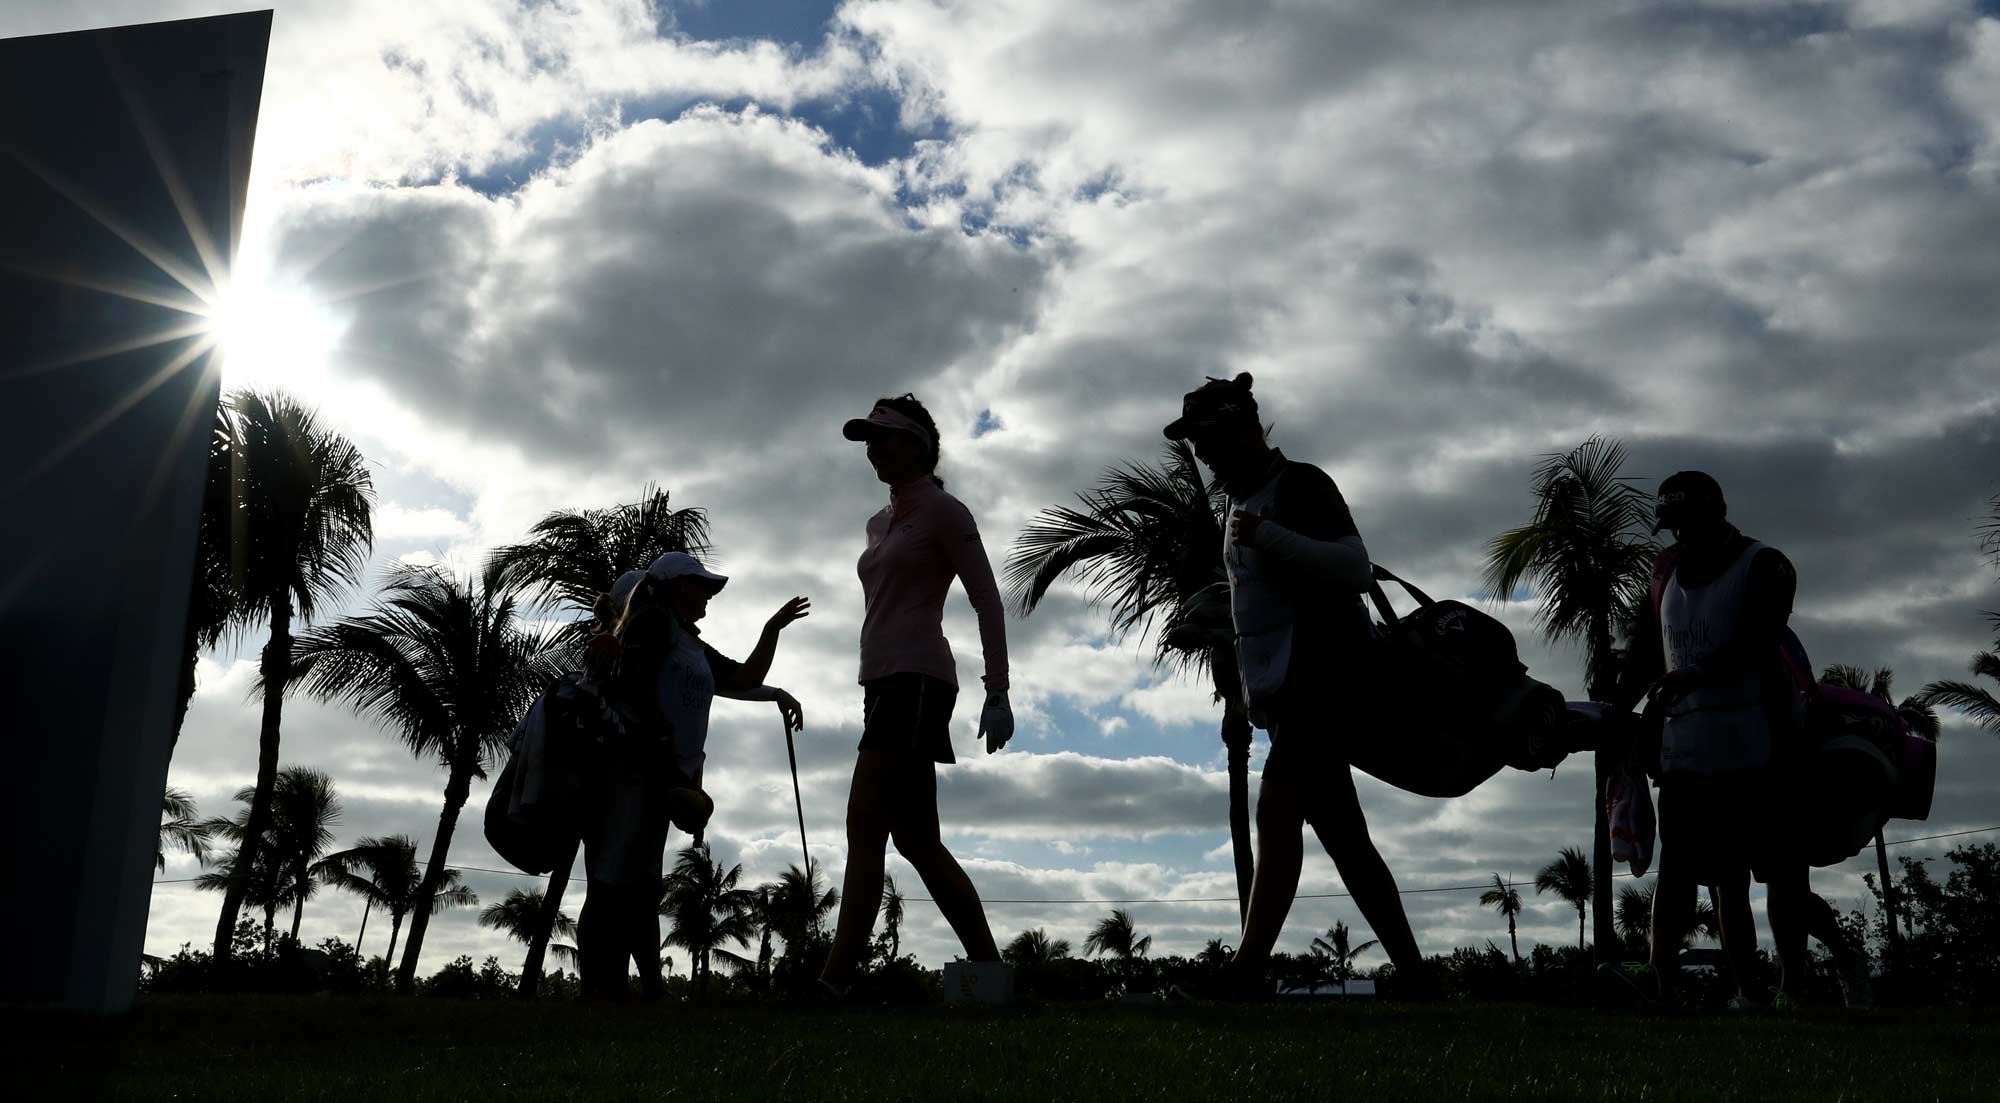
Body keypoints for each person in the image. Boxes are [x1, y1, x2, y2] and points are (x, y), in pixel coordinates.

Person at [1162, 372, 1427, 993]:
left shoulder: (1300, 485)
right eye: (1198, 445)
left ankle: (1247, 972)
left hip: (1328, 676)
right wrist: (1216, 614)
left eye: (1211, 440)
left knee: (1276, 807)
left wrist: (1268, 537)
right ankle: (1418, 976)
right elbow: (1265, 597)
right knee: (1347, 841)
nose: (1203, 455)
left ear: (1249, 431)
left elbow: (1355, 567)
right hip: (1288, 693)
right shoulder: (1238, 504)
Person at [1604, 471, 1866, 1007]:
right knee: (1688, 870)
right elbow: (1648, 652)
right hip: (1686, 747)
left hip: (1762, 744)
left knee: (1782, 878)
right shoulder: (1665, 572)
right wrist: (1613, 713)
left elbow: (1758, 641)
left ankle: (1803, 979)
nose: (1682, 537)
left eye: (1690, 524)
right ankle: (1678, 981)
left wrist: (1695, 674)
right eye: (1673, 527)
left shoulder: (1766, 566)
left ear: (1718, 514)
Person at [818, 393, 1014, 995]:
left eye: (883, 438)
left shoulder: (945, 512)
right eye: (867, 441)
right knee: (918, 841)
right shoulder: (882, 522)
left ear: (919, 446)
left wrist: (998, 690)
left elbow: (986, 597)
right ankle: (989, 973)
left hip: (919, 679)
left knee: (865, 825)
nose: (873, 451)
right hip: (881, 683)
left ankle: (835, 980)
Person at [579, 553, 809, 999]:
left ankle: (647, 990)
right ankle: (599, 991)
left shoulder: (688, 640)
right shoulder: (650, 621)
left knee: (642, 885)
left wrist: (772, 638)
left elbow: (741, 677)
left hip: (664, 778)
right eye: (700, 585)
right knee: (610, 883)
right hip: (632, 769)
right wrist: (664, 756)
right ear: (675, 586)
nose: (708, 593)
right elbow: (634, 693)